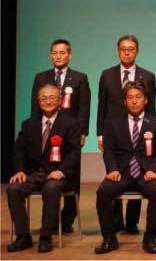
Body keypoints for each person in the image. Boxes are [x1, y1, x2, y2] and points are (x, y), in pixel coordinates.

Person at [7, 83, 81, 253]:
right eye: (43, 98)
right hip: (33, 174)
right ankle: (23, 236)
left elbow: (74, 153)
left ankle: (45, 237)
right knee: (13, 189)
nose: (48, 101)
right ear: (38, 102)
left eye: (52, 97)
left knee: (51, 188)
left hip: (59, 175)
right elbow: (19, 150)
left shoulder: (71, 124)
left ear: (60, 100)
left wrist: (61, 171)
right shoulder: (28, 124)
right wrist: (19, 170)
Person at [95, 81, 156, 254]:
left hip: (146, 173)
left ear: (146, 100)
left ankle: (150, 238)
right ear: (124, 101)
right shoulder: (112, 123)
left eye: (138, 97)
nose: (134, 101)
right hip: (121, 172)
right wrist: (112, 169)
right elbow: (108, 151)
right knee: (103, 192)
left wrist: (153, 170)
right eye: (130, 97)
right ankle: (109, 238)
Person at [97, 34, 156, 233]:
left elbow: (151, 109)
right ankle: (115, 222)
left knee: (137, 169)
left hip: (139, 132)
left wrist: (152, 133)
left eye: (131, 49)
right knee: (115, 173)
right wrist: (100, 134)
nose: (127, 52)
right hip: (114, 134)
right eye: (123, 49)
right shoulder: (107, 75)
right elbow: (102, 106)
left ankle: (132, 222)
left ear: (137, 51)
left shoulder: (148, 76)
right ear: (118, 51)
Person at [31, 39, 90, 232]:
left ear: (69, 55)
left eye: (62, 52)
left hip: (71, 134)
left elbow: (83, 108)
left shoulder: (80, 78)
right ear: (51, 55)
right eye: (55, 52)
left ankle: (68, 219)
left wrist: (83, 132)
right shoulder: (41, 77)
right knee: (48, 176)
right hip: (47, 132)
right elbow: (35, 108)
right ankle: (48, 221)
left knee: (71, 174)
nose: (58, 56)